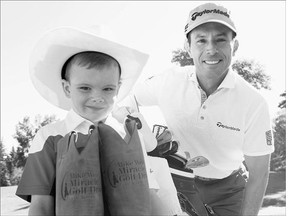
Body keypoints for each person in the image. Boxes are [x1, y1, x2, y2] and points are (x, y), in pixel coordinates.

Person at [131, 3, 274, 216]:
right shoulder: (168, 81)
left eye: (220, 39)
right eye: (201, 40)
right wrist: (141, 138)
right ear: (188, 47)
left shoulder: (254, 102)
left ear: (234, 46)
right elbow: (127, 96)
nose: (211, 49)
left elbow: (259, 173)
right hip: (177, 182)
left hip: (229, 189)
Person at [15, 27, 152, 215]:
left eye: (108, 89)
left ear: (118, 88)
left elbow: (148, 192)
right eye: (85, 88)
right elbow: (41, 207)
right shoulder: (49, 137)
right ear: (67, 88)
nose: (97, 97)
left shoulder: (128, 136)